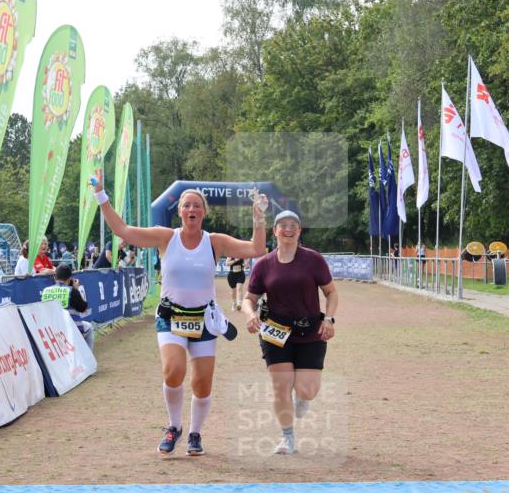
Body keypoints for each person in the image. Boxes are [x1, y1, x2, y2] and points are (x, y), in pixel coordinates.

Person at [92, 172, 266, 456]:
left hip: (204, 320)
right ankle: (174, 426)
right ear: (180, 211)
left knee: (202, 383)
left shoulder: (214, 241)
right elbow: (123, 230)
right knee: (173, 371)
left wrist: (258, 218)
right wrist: (101, 195)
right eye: (186, 205)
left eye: (197, 205)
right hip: (170, 317)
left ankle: (195, 433)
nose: (191, 209)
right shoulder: (166, 237)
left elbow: (257, 249)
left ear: (204, 212)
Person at [242, 210, 338, 455]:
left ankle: (302, 397)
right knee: (281, 386)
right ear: (274, 231)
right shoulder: (264, 264)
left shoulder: (313, 260)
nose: (288, 229)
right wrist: (251, 315)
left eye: (293, 225)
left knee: (307, 390)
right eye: (283, 225)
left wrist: (329, 319)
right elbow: (248, 298)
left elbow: (331, 292)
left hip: (310, 332)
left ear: (299, 231)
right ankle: (287, 438)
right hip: (275, 332)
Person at [41, 264, 92, 347]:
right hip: (71, 330)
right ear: (69, 280)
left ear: (55, 277)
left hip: (51, 330)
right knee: (89, 327)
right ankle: (87, 354)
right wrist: (77, 289)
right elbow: (83, 309)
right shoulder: (72, 291)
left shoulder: (45, 291)